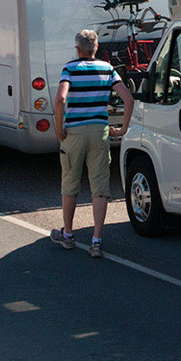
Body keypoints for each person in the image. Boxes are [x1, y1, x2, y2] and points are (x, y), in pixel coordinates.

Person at [51, 28, 130, 257]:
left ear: (77, 49)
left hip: (74, 132)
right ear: (96, 48)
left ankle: (67, 235)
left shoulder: (70, 68)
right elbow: (128, 98)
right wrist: (122, 129)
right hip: (99, 131)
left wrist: (59, 128)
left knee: (70, 183)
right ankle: (96, 240)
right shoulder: (107, 69)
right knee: (100, 187)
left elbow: (60, 99)